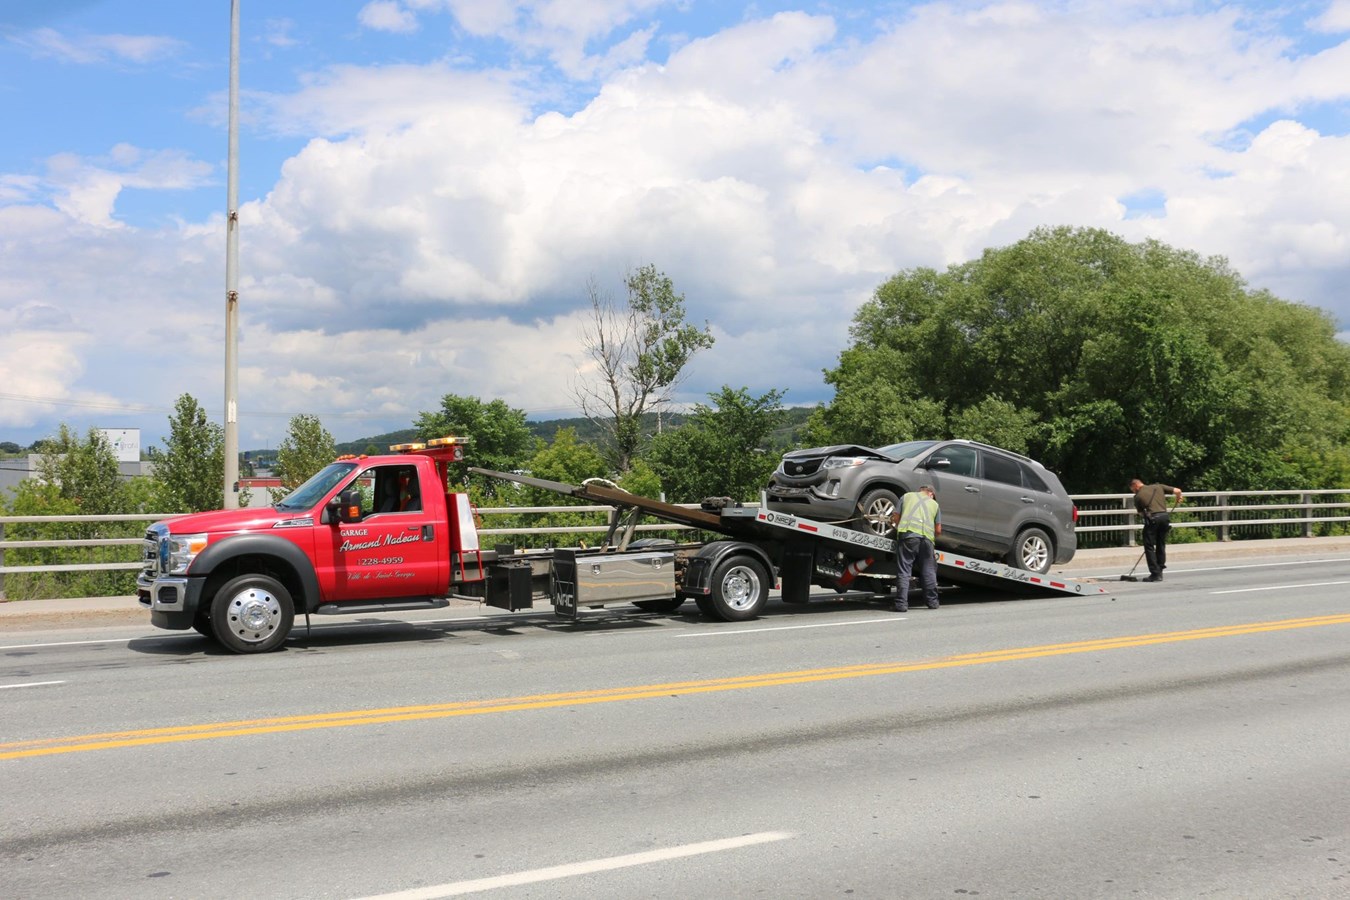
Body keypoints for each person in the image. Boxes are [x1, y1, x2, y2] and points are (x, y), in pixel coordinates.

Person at [889, 485, 941, 612]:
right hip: (927, 541)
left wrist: (897, 525)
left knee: (905, 571)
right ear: (931, 493)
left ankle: (901, 604)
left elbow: (896, 517)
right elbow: (938, 530)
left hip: (908, 537)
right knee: (929, 571)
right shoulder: (935, 505)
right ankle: (932, 602)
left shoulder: (906, 497)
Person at [1130, 478, 1183, 582]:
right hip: (1164, 518)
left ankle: (1155, 573)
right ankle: (1160, 570)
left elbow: (1141, 513)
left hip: (1153, 520)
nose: (1133, 491)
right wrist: (1178, 498)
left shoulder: (1137, 497)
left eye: (1132, 489)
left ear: (1135, 486)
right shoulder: (1158, 487)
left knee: (1149, 546)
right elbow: (1178, 490)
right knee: (1161, 544)